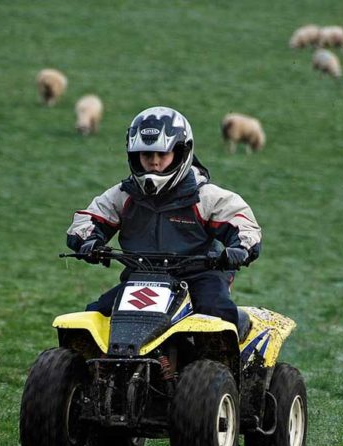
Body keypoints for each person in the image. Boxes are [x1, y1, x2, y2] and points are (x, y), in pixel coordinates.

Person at [66, 106, 262, 330]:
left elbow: (245, 225)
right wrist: (88, 242)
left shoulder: (205, 196)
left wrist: (240, 249)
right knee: (94, 318)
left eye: (163, 154)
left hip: (199, 277)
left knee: (217, 317)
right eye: (147, 154)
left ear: (181, 152)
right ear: (134, 155)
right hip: (141, 278)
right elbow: (87, 219)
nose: (154, 162)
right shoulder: (124, 194)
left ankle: (232, 359)